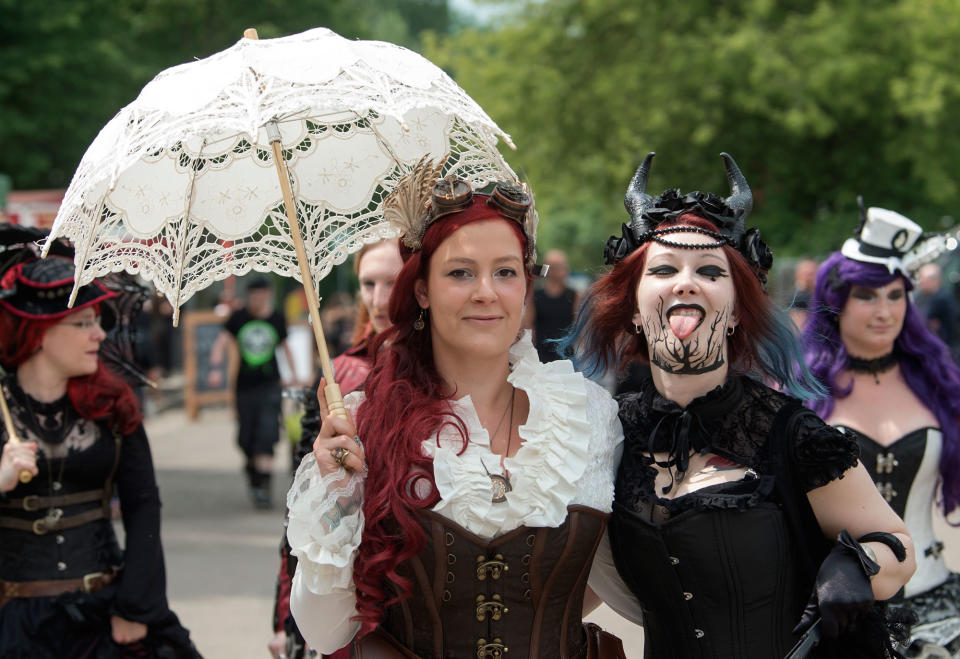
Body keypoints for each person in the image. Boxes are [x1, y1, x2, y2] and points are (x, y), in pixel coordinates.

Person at [566, 153, 916, 658]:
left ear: (735, 312)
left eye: (710, 271)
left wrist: (856, 566)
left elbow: (897, 547)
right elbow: (582, 579)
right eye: (664, 269)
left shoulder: (791, 432)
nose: (686, 282)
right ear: (635, 311)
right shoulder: (609, 435)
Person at [286, 161, 625, 658]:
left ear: (525, 286)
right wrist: (339, 494)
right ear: (421, 289)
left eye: (505, 272)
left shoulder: (589, 417)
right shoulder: (366, 423)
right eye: (460, 272)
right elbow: (324, 631)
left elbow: (627, 593)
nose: (486, 291)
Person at [0, 251, 199, 658]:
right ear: (41, 331)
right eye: (84, 324)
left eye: (98, 323)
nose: (99, 335)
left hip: (103, 616)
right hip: (13, 623)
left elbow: (143, 504)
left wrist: (136, 606)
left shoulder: (113, 404)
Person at [801, 204, 960, 657]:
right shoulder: (802, 393)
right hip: (836, 618)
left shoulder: (939, 385)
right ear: (836, 300)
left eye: (896, 295)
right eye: (867, 296)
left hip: (939, 614)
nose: (885, 310)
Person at [269, 239, 403, 659]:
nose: (379, 300)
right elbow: (300, 508)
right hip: (346, 583)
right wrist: (285, 619)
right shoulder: (340, 372)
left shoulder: (447, 370)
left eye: (392, 284)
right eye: (368, 284)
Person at [208, 277, 295, 509]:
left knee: (266, 435)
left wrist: (294, 377)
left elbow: (287, 348)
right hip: (244, 387)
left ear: (268, 295)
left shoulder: (277, 319)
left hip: (270, 385)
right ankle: (253, 475)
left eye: (261, 295)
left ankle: (264, 489)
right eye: (253, 296)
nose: (256, 300)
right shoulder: (238, 318)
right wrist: (215, 366)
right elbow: (222, 341)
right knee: (246, 439)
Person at [526, 248, 578, 362]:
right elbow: (528, 326)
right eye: (555, 267)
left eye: (562, 266)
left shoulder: (574, 295)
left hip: (567, 356)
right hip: (541, 355)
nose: (561, 270)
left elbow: (579, 328)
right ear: (547, 269)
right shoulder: (535, 296)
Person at [913, 262, 958, 351]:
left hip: (946, 347)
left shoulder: (943, 298)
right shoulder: (924, 296)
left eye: (922, 279)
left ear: (933, 280)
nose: (920, 283)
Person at [789, 258, 819, 332]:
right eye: (806, 274)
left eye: (812, 274)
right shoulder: (799, 297)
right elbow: (799, 331)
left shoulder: (818, 295)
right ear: (798, 275)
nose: (809, 278)